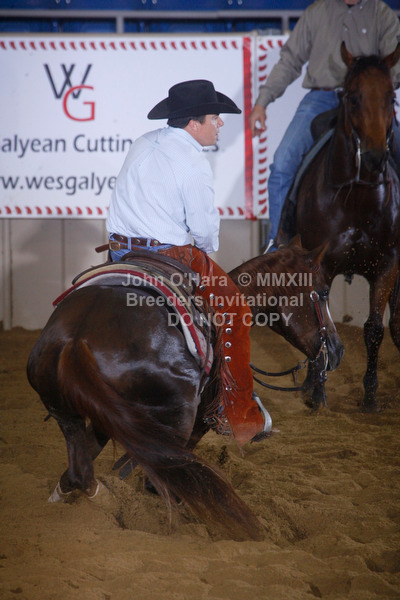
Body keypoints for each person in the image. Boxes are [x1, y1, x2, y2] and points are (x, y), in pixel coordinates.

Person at [106, 79, 271, 446]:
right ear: (194, 124)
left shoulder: (143, 142)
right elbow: (204, 230)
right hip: (168, 254)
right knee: (236, 311)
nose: (220, 123)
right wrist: (206, 249)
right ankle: (238, 413)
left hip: (119, 252)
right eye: (215, 117)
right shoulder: (193, 162)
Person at [249, 0, 400, 251]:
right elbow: (290, 60)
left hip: (368, 101)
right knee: (282, 165)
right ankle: (279, 246)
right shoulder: (316, 13)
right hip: (321, 96)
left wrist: (374, 87)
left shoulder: (381, 14)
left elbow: (394, 66)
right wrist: (262, 102)